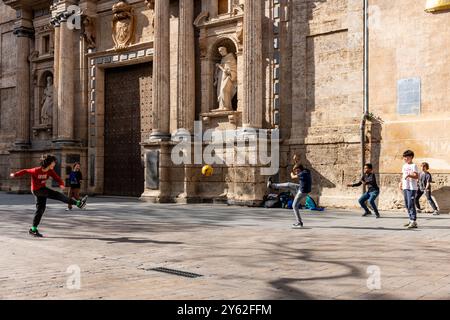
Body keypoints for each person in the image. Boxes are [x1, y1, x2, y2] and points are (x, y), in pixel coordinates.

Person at [10, 154, 88, 237]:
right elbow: (25, 171)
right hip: (37, 190)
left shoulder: (50, 171)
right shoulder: (36, 170)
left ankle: (33, 229)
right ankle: (78, 203)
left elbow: (57, 178)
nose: (55, 164)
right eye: (54, 162)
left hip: (42, 190)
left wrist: (61, 183)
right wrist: (15, 174)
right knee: (57, 195)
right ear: (49, 163)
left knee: (41, 209)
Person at [268, 164, 312, 228]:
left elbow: (293, 177)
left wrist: (291, 173)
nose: (296, 172)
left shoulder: (302, 174)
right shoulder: (306, 171)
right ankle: (272, 185)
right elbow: (300, 166)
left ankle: (299, 223)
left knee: (294, 205)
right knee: (288, 184)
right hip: (301, 187)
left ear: (300, 170)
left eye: (297, 171)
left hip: (302, 191)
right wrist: (296, 161)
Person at [399, 150, 419, 229]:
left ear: (411, 157)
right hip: (405, 187)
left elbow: (416, 176)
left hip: (412, 188)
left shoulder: (414, 166)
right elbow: (403, 175)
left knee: (411, 204)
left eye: (406, 157)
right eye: (404, 157)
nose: (404, 158)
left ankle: (413, 221)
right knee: (407, 204)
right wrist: (401, 183)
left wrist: (409, 175)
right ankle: (411, 220)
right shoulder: (404, 166)